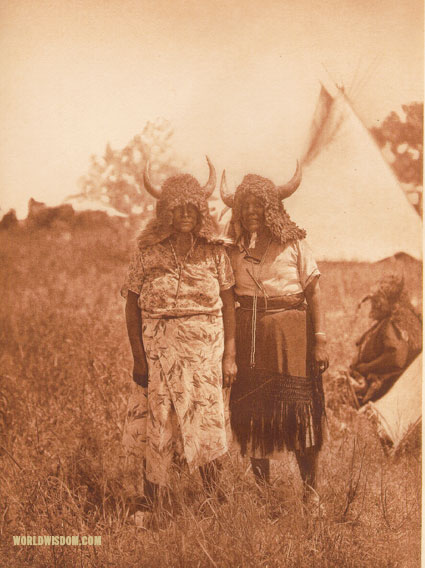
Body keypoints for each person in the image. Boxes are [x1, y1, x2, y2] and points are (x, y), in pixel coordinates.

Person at [122, 157, 237, 514]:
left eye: (192, 207)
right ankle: (149, 503)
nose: (185, 214)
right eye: (177, 208)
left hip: (206, 354)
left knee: (208, 423)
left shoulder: (216, 251)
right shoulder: (147, 251)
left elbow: (229, 303)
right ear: (164, 211)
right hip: (159, 353)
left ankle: (214, 501)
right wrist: (139, 359)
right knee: (158, 423)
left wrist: (229, 355)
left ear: (201, 210)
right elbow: (132, 304)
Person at [220, 163, 328, 500]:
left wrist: (320, 340)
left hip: (293, 335)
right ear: (238, 210)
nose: (252, 212)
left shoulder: (294, 243)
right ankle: (264, 493)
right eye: (245, 205)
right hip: (250, 336)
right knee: (253, 414)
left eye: (259, 205)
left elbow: (313, 292)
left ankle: (310, 494)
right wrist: (230, 354)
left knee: (300, 413)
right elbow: (226, 300)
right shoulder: (232, 249)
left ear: (273, 208)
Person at [349, 274, 422, 405]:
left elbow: (396, 357)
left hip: (386, 388)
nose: (373, 306)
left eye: (377, 302)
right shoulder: (392, 321)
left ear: (393, 305)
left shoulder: (393, 323)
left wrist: (366, 368)